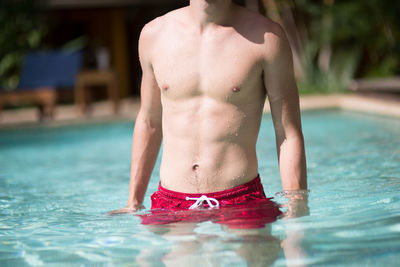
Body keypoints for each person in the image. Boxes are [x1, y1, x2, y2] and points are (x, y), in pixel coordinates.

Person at [110, 0, 308, 225]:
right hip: (171, 203)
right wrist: (133, 202)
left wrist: (296, 206)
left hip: (242, 200)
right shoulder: (154, 35)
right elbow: (149, 121)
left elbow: (288, 132)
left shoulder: (268, 38)